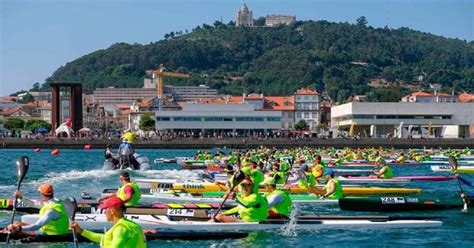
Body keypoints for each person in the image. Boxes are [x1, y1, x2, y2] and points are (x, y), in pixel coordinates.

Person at [70, 196, 147, 247]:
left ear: (113, 210)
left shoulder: (121, 228)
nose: (104, 212)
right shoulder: (130, 225)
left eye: (105, 209)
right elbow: (103, 238)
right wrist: (81, 231)